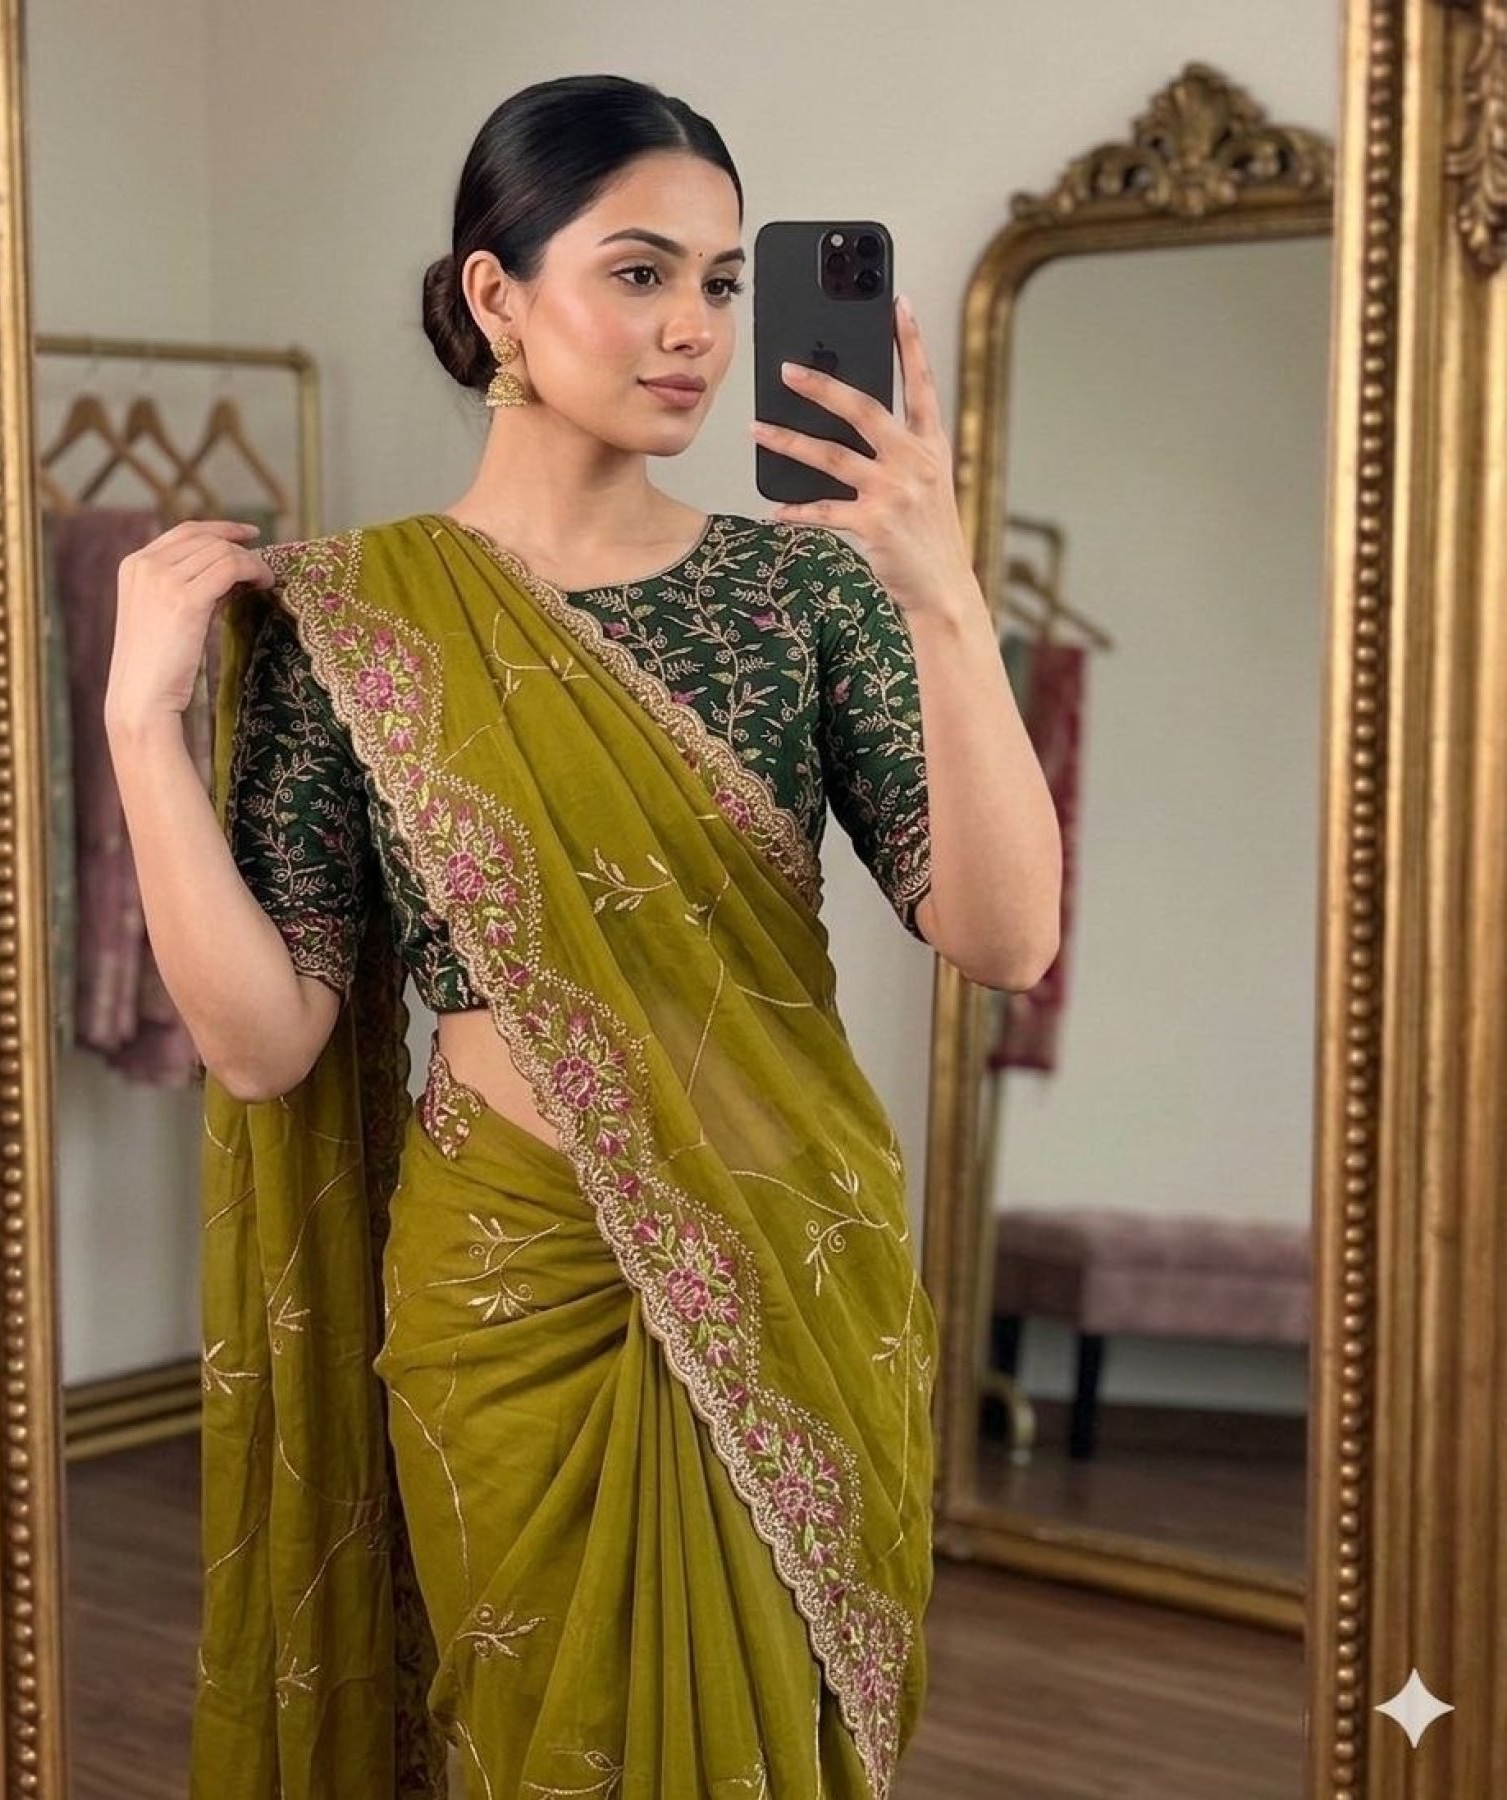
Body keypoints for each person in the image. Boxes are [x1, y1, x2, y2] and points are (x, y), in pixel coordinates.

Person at [106, 69, 1057, 1800]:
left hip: (787, 1253)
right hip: (504, 1290)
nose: (695, 327)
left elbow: (1004, 936)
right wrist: (138, 733)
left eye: (722, 281)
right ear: (498, 293)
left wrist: (943, 596)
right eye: (639, 272)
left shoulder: (806, 593)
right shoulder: (352, 617)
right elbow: (263, 1043)